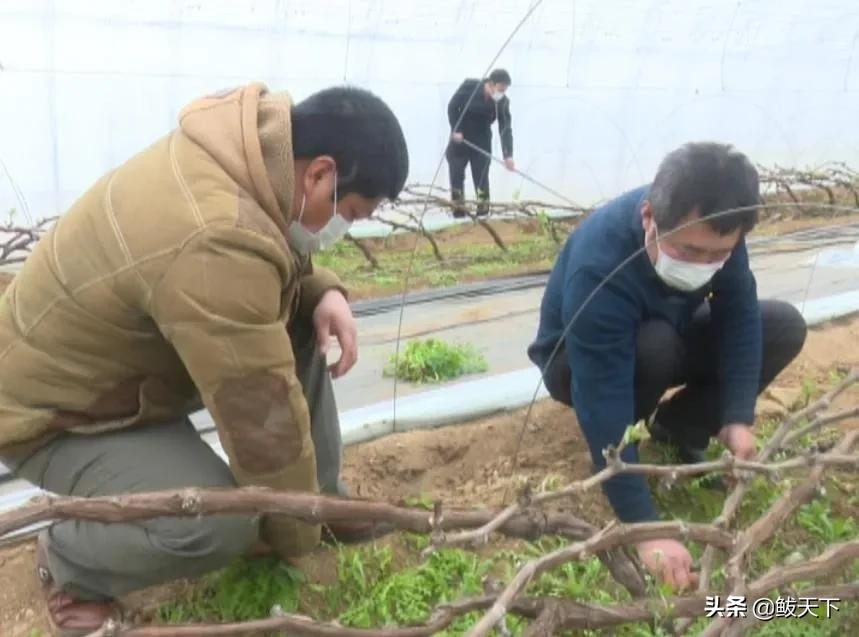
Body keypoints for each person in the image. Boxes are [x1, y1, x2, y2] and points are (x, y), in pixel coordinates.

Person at [0, 82, 408, 635]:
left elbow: (273, 252)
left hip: (120, 372)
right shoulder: (216, 237)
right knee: (220, 524)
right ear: (319, 175)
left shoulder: (249, 151)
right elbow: (261, 419)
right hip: (57, 413)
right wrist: (289, 537)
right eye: (352, 214)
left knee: (298, 320)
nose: (344, 229)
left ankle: (322, 506)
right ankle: (70, 558)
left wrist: (323, 291)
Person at [527, 142, 807, 592]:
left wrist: (737, 417)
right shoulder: (600, 265)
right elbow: (602, 397)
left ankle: (679, 427)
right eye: (689, 250)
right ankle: (627, 456)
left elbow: (738, 318)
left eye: (717, 255)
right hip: (576, 363)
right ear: (649, 219)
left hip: (665, 332)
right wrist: (646, 530)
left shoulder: (721, 235)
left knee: (781, 326)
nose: (703, 265)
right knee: (653, 346)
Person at [446, 68, 515, 217]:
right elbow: (452, 106)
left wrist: (508, 155)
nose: (501, 94)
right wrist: (456, 129)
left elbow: (505, 127)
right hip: (461, 139)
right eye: (499, 89)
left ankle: (482, 212)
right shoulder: (470, 86)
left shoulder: (502, 102)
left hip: (482, 141)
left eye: (504, 91)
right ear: (490, 84)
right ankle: (458, 212)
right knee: (456, 176)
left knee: (481, 179)